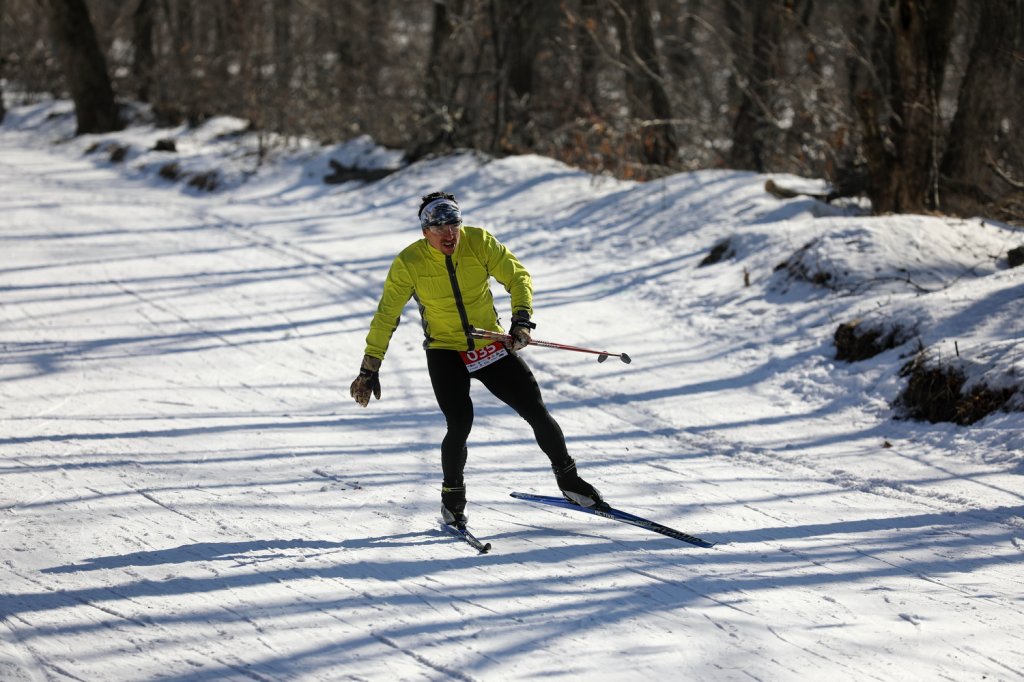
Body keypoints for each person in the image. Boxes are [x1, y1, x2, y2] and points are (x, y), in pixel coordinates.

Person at [350, 191, 606, 529]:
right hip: (445, 350)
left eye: (454, 224)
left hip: (489, 343)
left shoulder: (479, 241)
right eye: (439, 228)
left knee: (536, 411)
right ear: (425, 232)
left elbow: (517, 277)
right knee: (459, 424)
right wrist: (370, 367)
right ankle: (453, 500)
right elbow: (386, 316)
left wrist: (522, 320)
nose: (449, 234)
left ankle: (570, 482)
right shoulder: (409, 262)